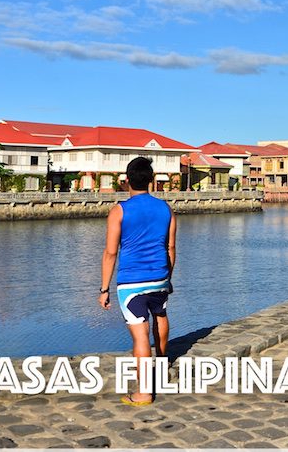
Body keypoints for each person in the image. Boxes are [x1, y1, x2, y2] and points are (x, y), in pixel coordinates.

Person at [99, 157, 177, 406]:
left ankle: (143, 391)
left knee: (140, 333)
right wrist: (168, 277)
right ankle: (162, 366)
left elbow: (111, 252)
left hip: (132, 282)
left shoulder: (119, 210)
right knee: (160, 314)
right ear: (151, 181)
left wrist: (104, 289)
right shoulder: (166, 209)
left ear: (127, 181)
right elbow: (171, 247)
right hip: (161, 276)